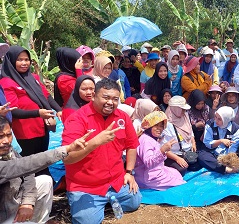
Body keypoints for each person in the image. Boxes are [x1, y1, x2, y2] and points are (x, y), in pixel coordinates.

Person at [61, 78, 142, 224]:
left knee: (135, 202)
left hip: (116, 180)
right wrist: (96, 141)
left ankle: (106, 202)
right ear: (93, 96)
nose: (110, 102)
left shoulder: (122, 117)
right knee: (87, 222)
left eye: (115, 99)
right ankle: (93, 205)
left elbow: (132, 145)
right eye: (106, 97)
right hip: (86, 186)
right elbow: (67, 158)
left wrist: (129, 172)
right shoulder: (77, 119)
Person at [0, 116, 93, 224]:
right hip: (3, 216)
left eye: (9, 135)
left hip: (13, 202)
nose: (6, 141)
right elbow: (26, 164)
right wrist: (67, 149)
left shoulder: (9, 150)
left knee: (45, 181)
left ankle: (39, 221)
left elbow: (28, 172)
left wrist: (27, 202)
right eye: (1, 136)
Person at [0, 46, 62, 175]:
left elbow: (46, 96)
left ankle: (46, 186)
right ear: (11, 61)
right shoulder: (7, 82)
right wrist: (38, 113)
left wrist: (58, 109)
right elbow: (13, 110)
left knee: (43, 161)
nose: (24, 63)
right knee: (28, 165)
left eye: (26, 59)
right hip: (25, 131)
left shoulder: (33, 77)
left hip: (42, 127)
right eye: (20, 60)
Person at [135, 111, 186, 189]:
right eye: (156, 125)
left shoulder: (149, 138)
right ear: (149, 126)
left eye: (161, 126)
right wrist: (162, 150)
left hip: (153, 172)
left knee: (176, 173)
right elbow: (149, 163)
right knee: (179, 182)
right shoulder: (146, 140)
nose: (159, 129)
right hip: (148, 177)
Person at [198, 106, 239, 174]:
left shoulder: (235, 128)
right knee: (202, 156)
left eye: (219, 119)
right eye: (215, 117)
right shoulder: (210, 124)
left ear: (226, 119)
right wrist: (221, 141)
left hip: (226, 154)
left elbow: (234, 146)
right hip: (211, 151)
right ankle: (224, 169)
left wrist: (227, 158)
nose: (216, 120)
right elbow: (207, 142)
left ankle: (226, 165)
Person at [162, 96, 198, 175]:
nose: (184, 111)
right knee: (181, 170)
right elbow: (163, 148)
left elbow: (190, 131)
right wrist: (177, 159)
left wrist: (193, 142)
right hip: (174, 154)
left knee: (197, 165)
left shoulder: (185, 115)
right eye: (182, 109)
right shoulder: (166, 124)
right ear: (175, 109)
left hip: (187, 151)